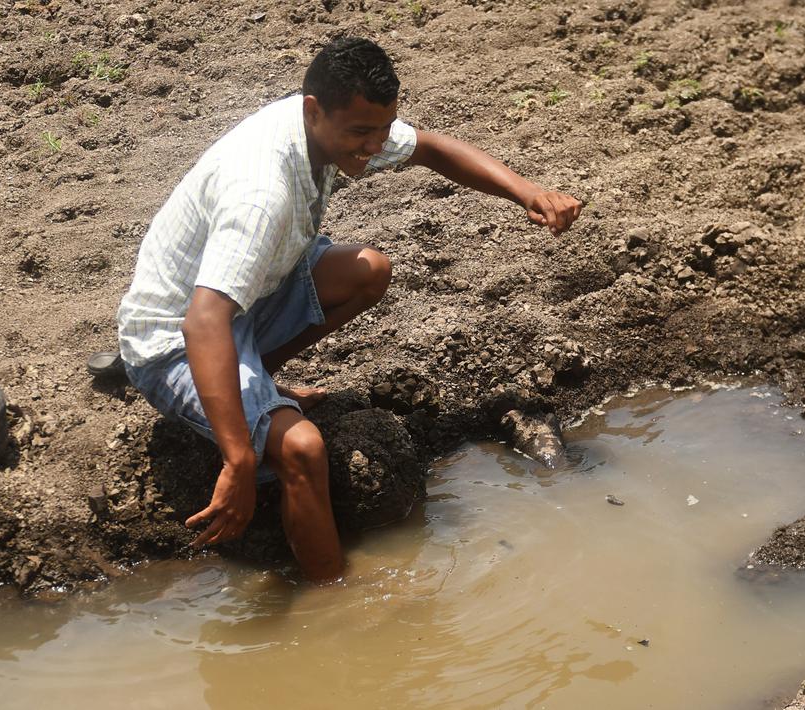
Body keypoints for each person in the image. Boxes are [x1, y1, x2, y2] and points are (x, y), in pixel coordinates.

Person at [115, 37, 581, 583]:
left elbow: (428, 147)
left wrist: (527, 192)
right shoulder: (261, 191)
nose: (374, 147)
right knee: (303, 451)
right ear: (314, 110)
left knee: (368, 271)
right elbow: (204, 321)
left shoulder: (333, 127)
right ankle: (331, 595)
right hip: (176, 339)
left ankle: (256, 381)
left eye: (382, 130)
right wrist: (238, 462)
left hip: (248, 295)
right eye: (361, 134)